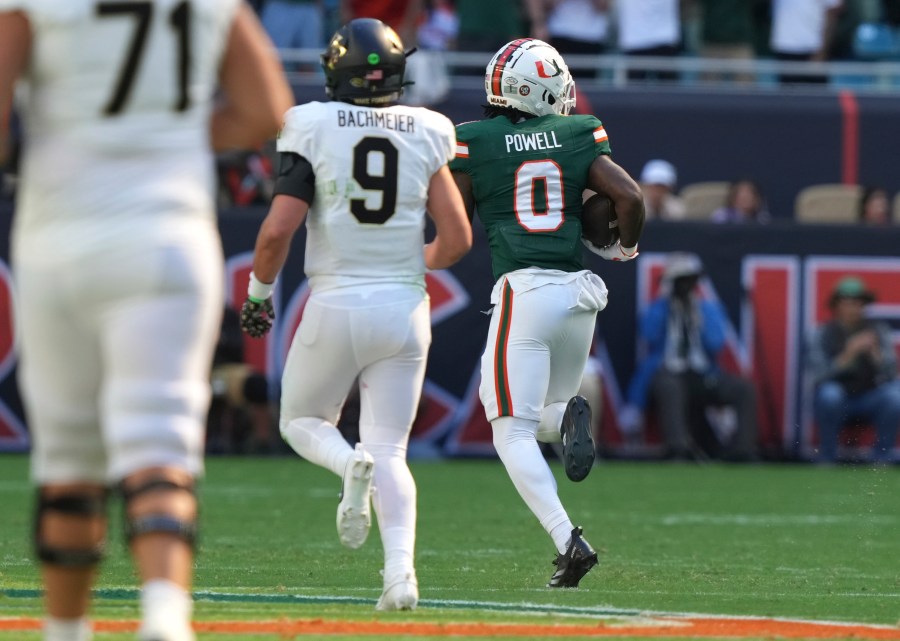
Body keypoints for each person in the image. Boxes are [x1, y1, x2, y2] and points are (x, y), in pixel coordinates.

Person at [0, 2, 293, 641]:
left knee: (70, 457)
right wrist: (169, 138)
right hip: (170, 230)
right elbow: (265, 109)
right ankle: (164, 615)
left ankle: (66, 629)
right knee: (159, 440)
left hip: (62, 231)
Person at [239, 18, 471, 611]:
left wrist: (259, 297)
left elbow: (276, 233)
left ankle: (348, 464)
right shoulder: (427, 129)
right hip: (404, 308)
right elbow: (457, 239)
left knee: (300, 421)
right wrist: (403, 259)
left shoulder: (312, 125)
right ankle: (400, 577)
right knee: (391, 450)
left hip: (338, 302)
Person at [450, 38, 644, 588]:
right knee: (536, 416)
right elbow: (629, 199)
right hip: (578, 296)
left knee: (508, 432)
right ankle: (566, 420)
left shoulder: (477, 141)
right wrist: (624, 250)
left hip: (524, 294)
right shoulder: (580, 133)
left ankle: (568, 541)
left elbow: (452, 216)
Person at [620, 253, 759, 461]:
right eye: (680, 281)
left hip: (703, 374)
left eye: (689, 281)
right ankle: (678, 447)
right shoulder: (659, 308)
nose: (685, 286)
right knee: (670, 386)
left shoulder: (707, 309)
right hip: (670, 371)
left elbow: (716, 344)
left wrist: (698, 318)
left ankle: (743, 450)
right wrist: (666, 303)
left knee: (744, 388)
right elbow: (648, 334)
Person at [807, 276, 900, 464]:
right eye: (847, 303)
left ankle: (881, 457)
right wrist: (848, 355)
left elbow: (892, 375)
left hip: (869, 397)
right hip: (838, 399)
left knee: (895, 396)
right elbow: (817, 377)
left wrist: (875, 355)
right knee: (829, 394)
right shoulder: (821, 333)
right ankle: (828, 456)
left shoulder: (878, 331)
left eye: (858, 303)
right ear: (836, 306)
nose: (853, 309)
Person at [770, 0, 843, 84]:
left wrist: (822, 52)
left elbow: (833, 13)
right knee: (788, 94)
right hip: (785, 48)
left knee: (816, 94)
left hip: (814, 50)